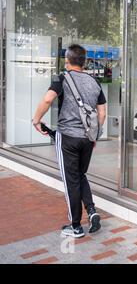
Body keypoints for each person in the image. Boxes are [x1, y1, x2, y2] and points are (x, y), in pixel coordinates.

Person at [32, 44, 107, 238]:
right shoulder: (94, 81)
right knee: (80, 175)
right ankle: (92, 211)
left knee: (71, 181)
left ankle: (75, 227)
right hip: (88, 139)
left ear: (67, 61)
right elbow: (102, 112)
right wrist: (95, 135)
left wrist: (36, 119)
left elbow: (48, 100)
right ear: (84, 61)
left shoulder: (62, 78)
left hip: (68, 138)